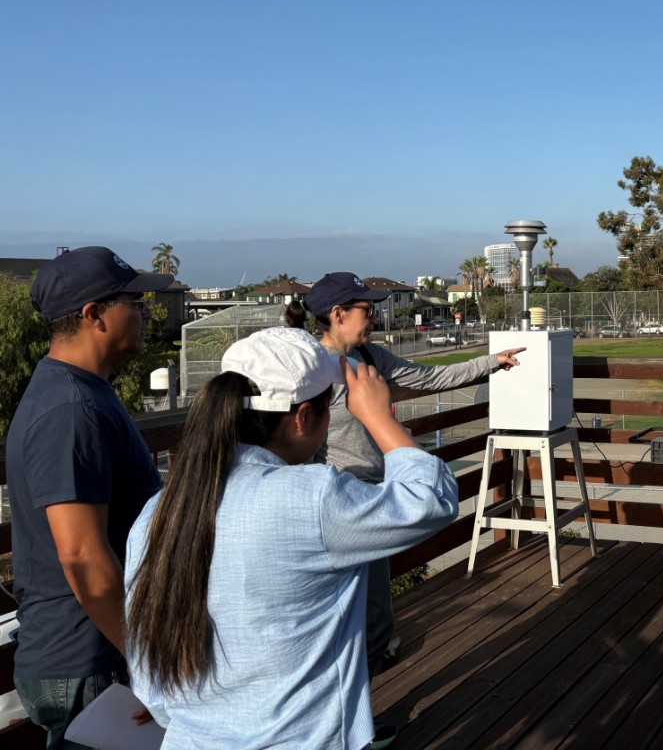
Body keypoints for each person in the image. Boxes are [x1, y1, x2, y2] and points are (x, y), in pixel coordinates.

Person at [124, 327, 459, 749]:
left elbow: (149, 675)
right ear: (303, 418)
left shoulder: (159, 512)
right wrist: (378, 417)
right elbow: (432, 500)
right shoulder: (313, 498)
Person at [285, 272, 522, 689]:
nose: (375, 316)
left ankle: (370, 690)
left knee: (374, 606)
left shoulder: (370, 356)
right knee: (348, 608)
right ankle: (361, 698)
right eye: (366, 309)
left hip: (372, 498)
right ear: (338, 314)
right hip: (336, 503)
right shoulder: (314, 369)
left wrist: (491, 362)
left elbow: (428, 378)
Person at [6, 246, 172, 748]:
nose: (146, 313)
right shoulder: (71, 409)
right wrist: (145, 664)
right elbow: (81, 553)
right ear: (93, 314)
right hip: (91, 664)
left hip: (95, 658)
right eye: (135, 302)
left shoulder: (82, 391)